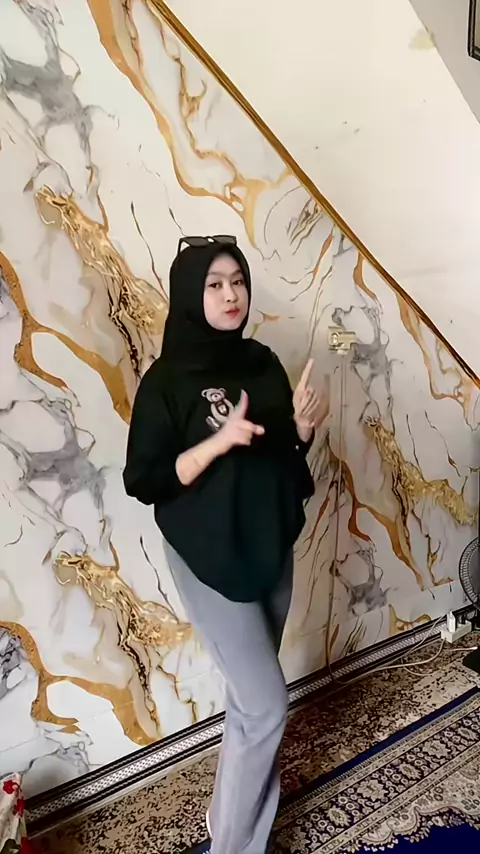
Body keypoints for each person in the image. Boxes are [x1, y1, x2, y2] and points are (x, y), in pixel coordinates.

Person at [123, 235, 325, 854]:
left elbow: (280, 452)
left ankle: (227, 817)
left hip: (267, 541)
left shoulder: (263, 363)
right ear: (191, 294)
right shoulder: (166, 381)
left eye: (237, 281)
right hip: (208, 554)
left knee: (250, 701)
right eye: (214, 284)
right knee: (267, 705)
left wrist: (302, 431)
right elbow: (145, 480)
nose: (230, 294)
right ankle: (234, 846)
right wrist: (217, 442)